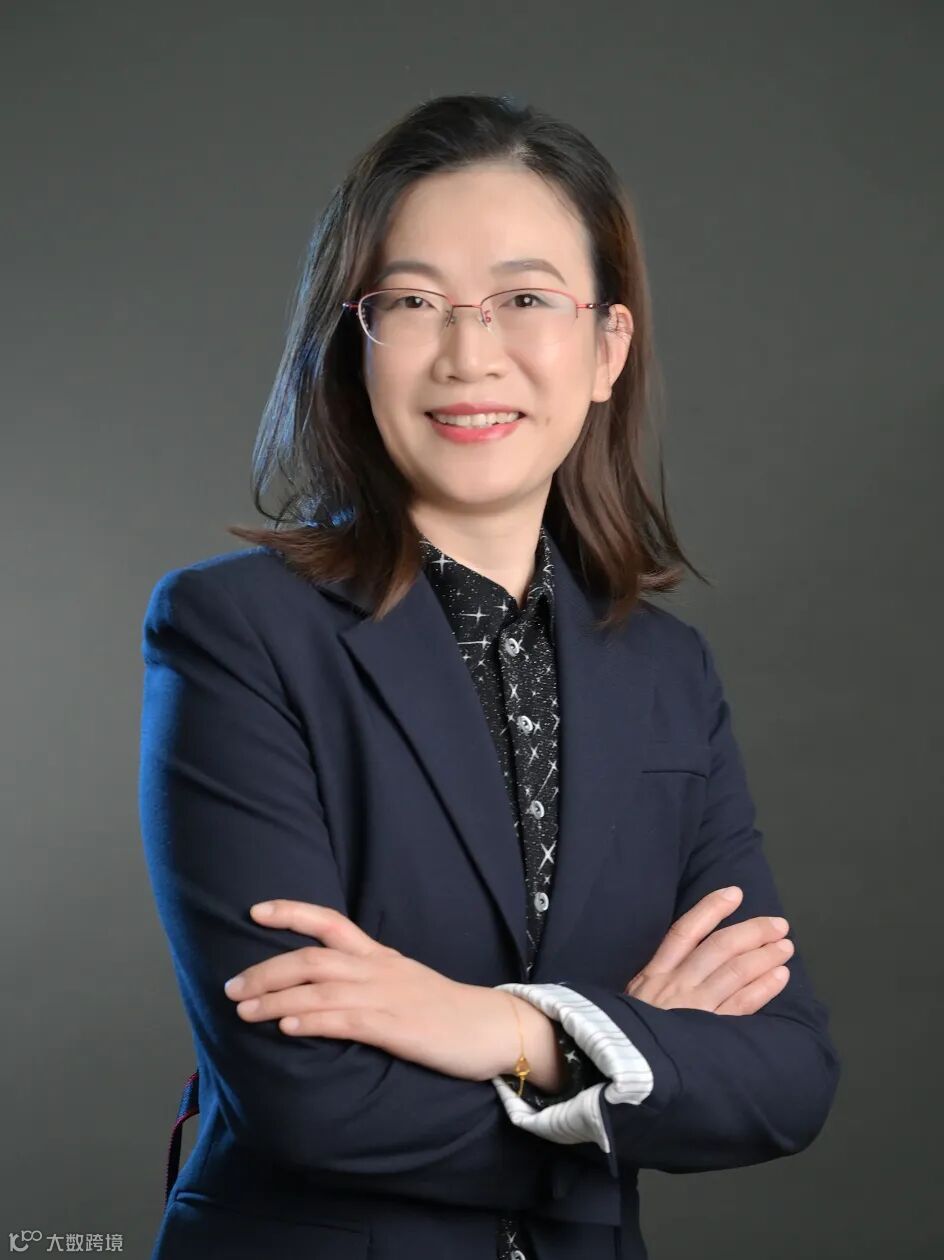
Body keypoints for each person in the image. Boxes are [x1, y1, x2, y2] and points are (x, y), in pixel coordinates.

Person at [139, 93, 840, 1260]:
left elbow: (786, 1076)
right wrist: (625, 1061)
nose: (469, 355)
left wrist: (502, 1030)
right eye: (412, 302)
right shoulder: (235, 632)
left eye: (523, 299)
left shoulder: (666, 670)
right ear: (353, 344)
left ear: (605, 349)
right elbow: (306, 1101)